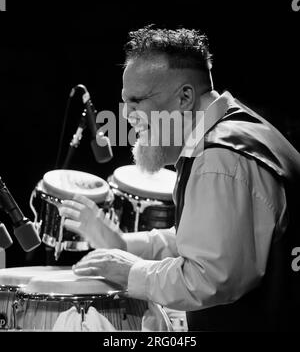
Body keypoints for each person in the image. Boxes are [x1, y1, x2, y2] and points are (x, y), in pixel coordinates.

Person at [59, 25, 300, 332]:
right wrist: (122, 243)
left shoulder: (219, 158)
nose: (127, 116)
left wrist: (132, 272)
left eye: (137, 101)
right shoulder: (236, 131)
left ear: (185, 96)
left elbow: (211, 278)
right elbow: (211, 238)